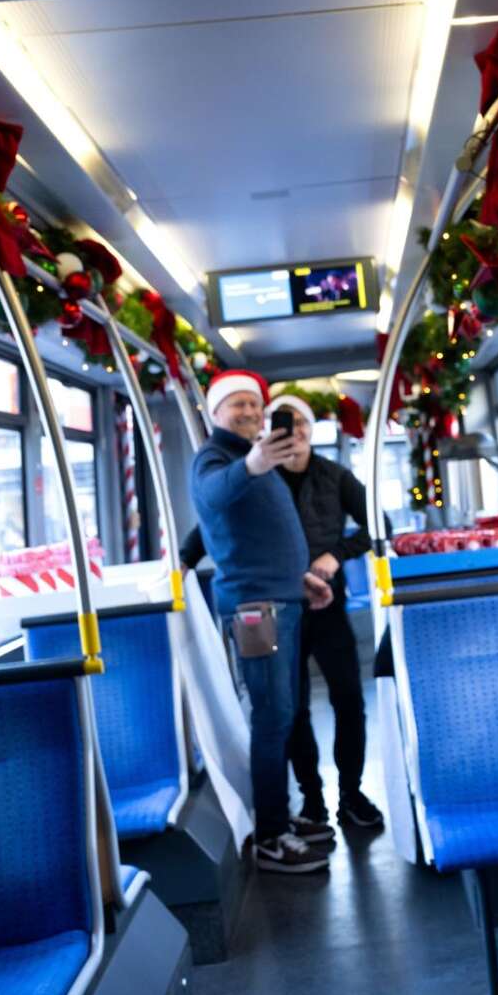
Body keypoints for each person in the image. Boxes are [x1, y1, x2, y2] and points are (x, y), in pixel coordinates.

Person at [190, 370, 337, 875]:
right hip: (255, 609)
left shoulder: (256, 455)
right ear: (214, 414)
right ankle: (271, 836)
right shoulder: (217, 458)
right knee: (272, 718)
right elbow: (211, 497)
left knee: (285, 712)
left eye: (255, 405)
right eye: (237, 406)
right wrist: (251, 466)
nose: (250, 413)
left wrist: (297, 577)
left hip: (279, 597)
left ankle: (280, 816)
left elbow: (253, 534)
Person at [263, 395, 383, 835]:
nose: (293, 431)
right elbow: (218, 525)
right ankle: (312, 798)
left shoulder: (335, 477)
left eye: (300, 424)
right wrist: (181, 559)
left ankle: (351, 792)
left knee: (349, 698)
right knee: (293, 708)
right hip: (282, 608)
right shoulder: (259, 478)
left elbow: (377, 523)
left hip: (329, 605)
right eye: (284, 423)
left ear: (312, 431)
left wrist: (337, 553)